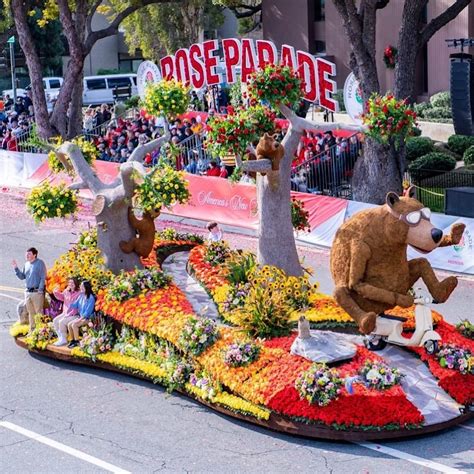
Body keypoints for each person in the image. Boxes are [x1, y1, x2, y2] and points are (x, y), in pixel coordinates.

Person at [12, 247, 47, 331]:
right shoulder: (26, 264)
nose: (27, 255)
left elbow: (43, 277)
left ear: (34, 255)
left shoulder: (40, 263)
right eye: (26, 254)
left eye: (29, 254)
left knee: (38, 312)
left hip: (37, 292)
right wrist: (16, 268)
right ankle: (32, 330)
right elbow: (22, 276)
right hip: (28, 292)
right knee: (31, 313)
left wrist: (41, 289)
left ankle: (40, 331)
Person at [67, 281, 96, 348]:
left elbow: (87, 312)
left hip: (87, 319)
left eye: (82, 286)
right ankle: (72, 340)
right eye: (81, 286)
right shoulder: (81, 296)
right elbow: (75, 305)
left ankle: (77, 341)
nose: (81, 287)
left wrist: (79, 319)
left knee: (74, 324)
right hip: (81, 317)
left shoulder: (91, 298)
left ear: (86, 287)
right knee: (69, 324)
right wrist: (69, 299)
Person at [52, 278, 81, 346]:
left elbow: (78, 304)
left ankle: (64, 339)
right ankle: (61, 337)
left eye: (72, 283)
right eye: (69, 283)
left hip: (74, 314)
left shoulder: (79, 293)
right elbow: (62, 297)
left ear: (76, 284)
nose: (71, 284)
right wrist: (56, 292)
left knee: (61, 322)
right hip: (66, 313)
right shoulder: (66, 291)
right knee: (55, 320)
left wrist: (72, 312)